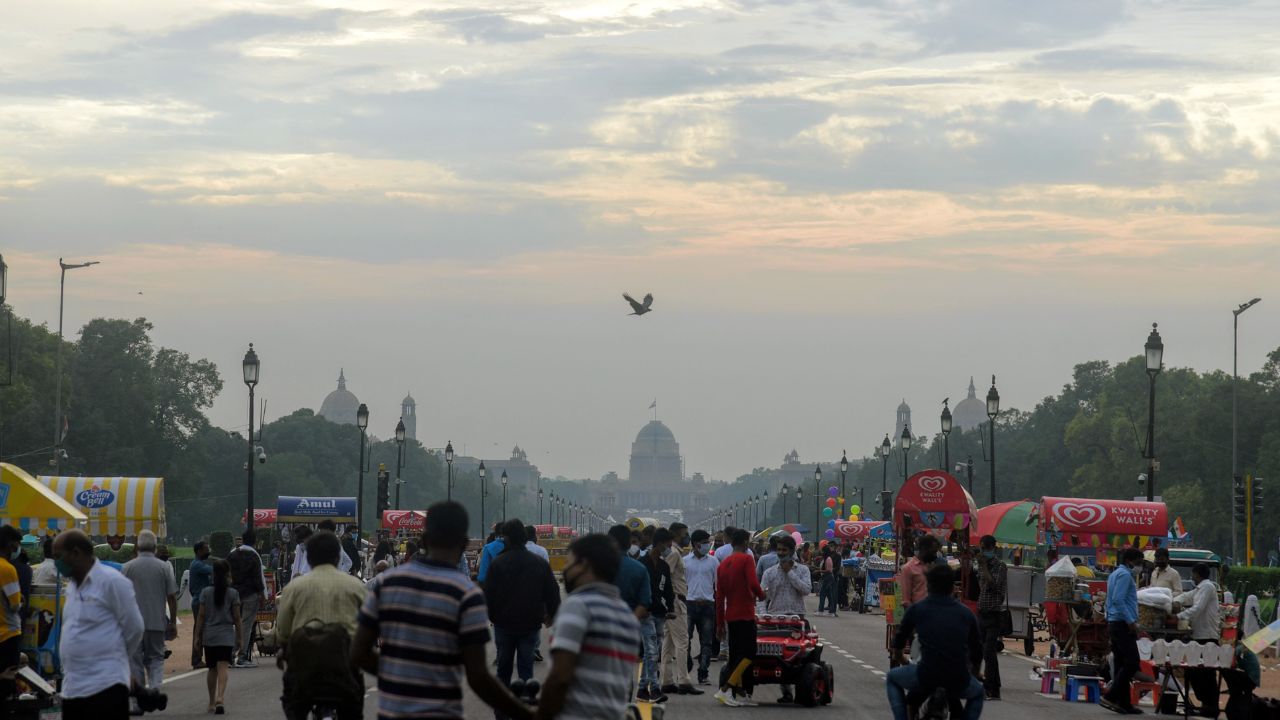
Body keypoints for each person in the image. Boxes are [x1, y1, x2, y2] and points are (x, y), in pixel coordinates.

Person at [352, 501, 532, 720]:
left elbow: (359, 651)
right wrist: (524, 713)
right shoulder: (466, 594)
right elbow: (478, 677)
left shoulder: (386, 584)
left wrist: (397, 676)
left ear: (424, 540)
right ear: (464, 543)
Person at [536, 533, 641, 720]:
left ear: (583, 565)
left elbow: (560, 677)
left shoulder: (578, 605)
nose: (566, 570)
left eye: (569, 563)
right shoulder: (627, 616)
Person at [277, 530, 368, 720]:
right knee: (354, 704)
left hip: (304, 664)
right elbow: (367, 628)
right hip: (344, 664)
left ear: (308, 558)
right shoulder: (355, 586)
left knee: (292, 702)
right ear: (338, 557)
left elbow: (284, 630)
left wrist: (284, 649)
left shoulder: (294, 587)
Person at [55, 528, 144, 720]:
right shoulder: (71, 587)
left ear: (76, 553)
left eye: (58, 556)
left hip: (106, 686)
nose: (57, 563)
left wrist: (114, 658)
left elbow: (134, 628)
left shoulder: (112, 582)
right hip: (73, 688)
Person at [886, 564, 985, 720]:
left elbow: (898, 642)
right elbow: (977, 651)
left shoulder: (917, 609)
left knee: (892, 677)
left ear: (929, 585)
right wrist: (974, 674)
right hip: (957, 679)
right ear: (953, 587)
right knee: (978, 693)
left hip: (925, 675)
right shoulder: (967, 614)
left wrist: (901, 659)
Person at [483, 520, 560, 693]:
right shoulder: (538, 562)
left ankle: (502, 711)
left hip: (504, 624)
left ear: (507, 538)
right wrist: (551, 614)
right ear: (525, 538)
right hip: (530, 623)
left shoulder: (498, 563)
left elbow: (488, 595)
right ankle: (525, 705)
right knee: (526, 670)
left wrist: (494, 617)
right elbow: (552, 590)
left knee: (503, 670)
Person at [122, 529, 178, 697]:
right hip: (156, 621)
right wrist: (173, 622)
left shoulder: (127, 567)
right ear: (155, 547)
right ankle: (154, 689)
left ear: (137, 547)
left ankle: (139, 698)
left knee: (135, 660)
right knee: (155, 658)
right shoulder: (164, 568)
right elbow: (172, 597)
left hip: (132, 624)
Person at [714, 528, 764, 707]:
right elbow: (753, 583)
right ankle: (726, 689)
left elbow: (719, 597)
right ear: (745, 543)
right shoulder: (746, 559)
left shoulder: (723, 564)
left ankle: (740, 691)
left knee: (735, 655)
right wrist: (762, 595)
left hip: (730, 615)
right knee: (749, 653)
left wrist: (719, 623)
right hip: (745, 613)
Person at [760, 535, 809, 704]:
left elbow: (806, 590)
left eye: (784, 550)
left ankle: (801, 686)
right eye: (779, 550)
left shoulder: (802, 570)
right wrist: (762, 616)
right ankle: (786, 691)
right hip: (774, 619)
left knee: (796, 656)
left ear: (792, 551)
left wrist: (790, 573)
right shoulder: (769, 572)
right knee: (777, 656)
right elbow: (761, 597)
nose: (781, 553)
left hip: (796, 618)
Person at [194, 559, 241, 715]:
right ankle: (221, 697)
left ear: (213, 574)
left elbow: (200, 616)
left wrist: (197, 637)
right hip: (226, 635)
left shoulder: (205, 592)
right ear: (228, 574)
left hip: (210, 635)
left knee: (212, 669)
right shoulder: (233, 593)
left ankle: (211, 702)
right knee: (223, 667)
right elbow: (237, 618)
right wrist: (240, 637)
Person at [1174, 563, 1221, 717]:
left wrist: (1178, 616)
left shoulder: (1207, 587)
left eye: (1193, 574)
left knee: (1207, 673)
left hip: (1208, 636)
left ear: (1197, 574)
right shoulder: (1200, 589)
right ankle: (1206, 704)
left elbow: (1198, 608)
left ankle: (1211, 706)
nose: (1192, 578)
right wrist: (1172, 601)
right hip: (1199, 636)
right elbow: (1187, 596)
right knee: (1195, 672)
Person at [1101, 547, 1143, 714]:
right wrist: (1131, 621)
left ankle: (1123, 702)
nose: (1140, 567)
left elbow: (1109, 600)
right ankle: (1111, 695)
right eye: (1139, 563)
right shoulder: (1125, 575)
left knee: (1120, 663)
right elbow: (1118, 600)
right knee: (1133, 662)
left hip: (1114, 622)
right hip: (1122, 623)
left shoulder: (1114, 574)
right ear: (1129, 561)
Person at [660, 522, 699, 697]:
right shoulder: (674, 553)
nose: (687, 536)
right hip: (676, 600)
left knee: (668, 643)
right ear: (675, 535)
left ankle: (667, 681)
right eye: (684, 533)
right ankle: (684, 680)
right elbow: (665, 575)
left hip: (673, 600)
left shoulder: (675, 552)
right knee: (683, 642)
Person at [638, 528, 675, 703]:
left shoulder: (664, 565)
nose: (670, 547)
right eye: (668, 544)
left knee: (651, 653)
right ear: (660, 543)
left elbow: (668, 590)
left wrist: (671, 608)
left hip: (660, 613)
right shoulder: (641, 564)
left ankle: (641, 689)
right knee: (652, 652)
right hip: (646, 613)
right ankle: (655, 689)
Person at [227, 529, 269, 668]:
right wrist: (262, 595)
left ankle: (230, 654)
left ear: (242, 539)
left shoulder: (232, 554)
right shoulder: (254, 555)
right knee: (246, 626)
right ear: (254, 541)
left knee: (234, 625)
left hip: (233, 594)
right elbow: (258, 577)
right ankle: (242, 655)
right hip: (251, 595)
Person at [683, 529, 719, 687]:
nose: (707, 545)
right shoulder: (685, 561)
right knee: (685, 640)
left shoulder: (713, 562)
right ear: (696, 544)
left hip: (707, 605)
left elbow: (718, 585)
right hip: (689, 604)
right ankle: (686, 667)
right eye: (704, 542)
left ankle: (703, 673)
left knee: (706, 642)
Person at [976, 534, 1007, 701]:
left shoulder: (1000, 566)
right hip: (982, 612)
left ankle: (993, 689)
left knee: (989, 652)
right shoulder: (981, 566)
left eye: (985, 549)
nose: (983, 551)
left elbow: (993, 585)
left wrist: (984, 566)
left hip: (995, 614)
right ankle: (986, 685)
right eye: (981, 549)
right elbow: (981, 586)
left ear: (992, 549)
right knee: (978, 651)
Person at [0, 527, 22, 717]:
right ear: (9, 544)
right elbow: (15, 604)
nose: (18, 548)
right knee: (7, 682)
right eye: (17, 544)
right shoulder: (7, 568)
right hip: (8, 634)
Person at [607, 525, 651, 618]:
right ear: (628, 544)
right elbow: (644, 602)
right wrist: (630, 622)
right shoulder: (640, 569)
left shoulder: (596, 566)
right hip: (630, 622)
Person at [898, 536, 941, 609]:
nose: (935, 555)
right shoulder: (908, 568)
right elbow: (906, 601)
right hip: (919, 613)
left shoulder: (933, 567)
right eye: (933, 552)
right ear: (924, 549)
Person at [189, 541, 214, 668]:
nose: (208, 551)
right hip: (199, 602)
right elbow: (213, 569)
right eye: (206, 549)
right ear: (199, 551)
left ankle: (198, 658)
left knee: (201, 630)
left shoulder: (199, 564)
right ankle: (196, 659)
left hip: (199, 600)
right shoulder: (198, 565)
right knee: (199, 631)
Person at [816, 545, 838, 617]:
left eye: (823, 551)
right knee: (829, 595)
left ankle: (821, 610)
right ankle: (831, 611)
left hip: (828, 577)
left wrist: (819, 571)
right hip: (828, 577)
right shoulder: (826, 558)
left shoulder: (828, 559)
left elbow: (828, 570)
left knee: (822, 594)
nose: (822, 552)